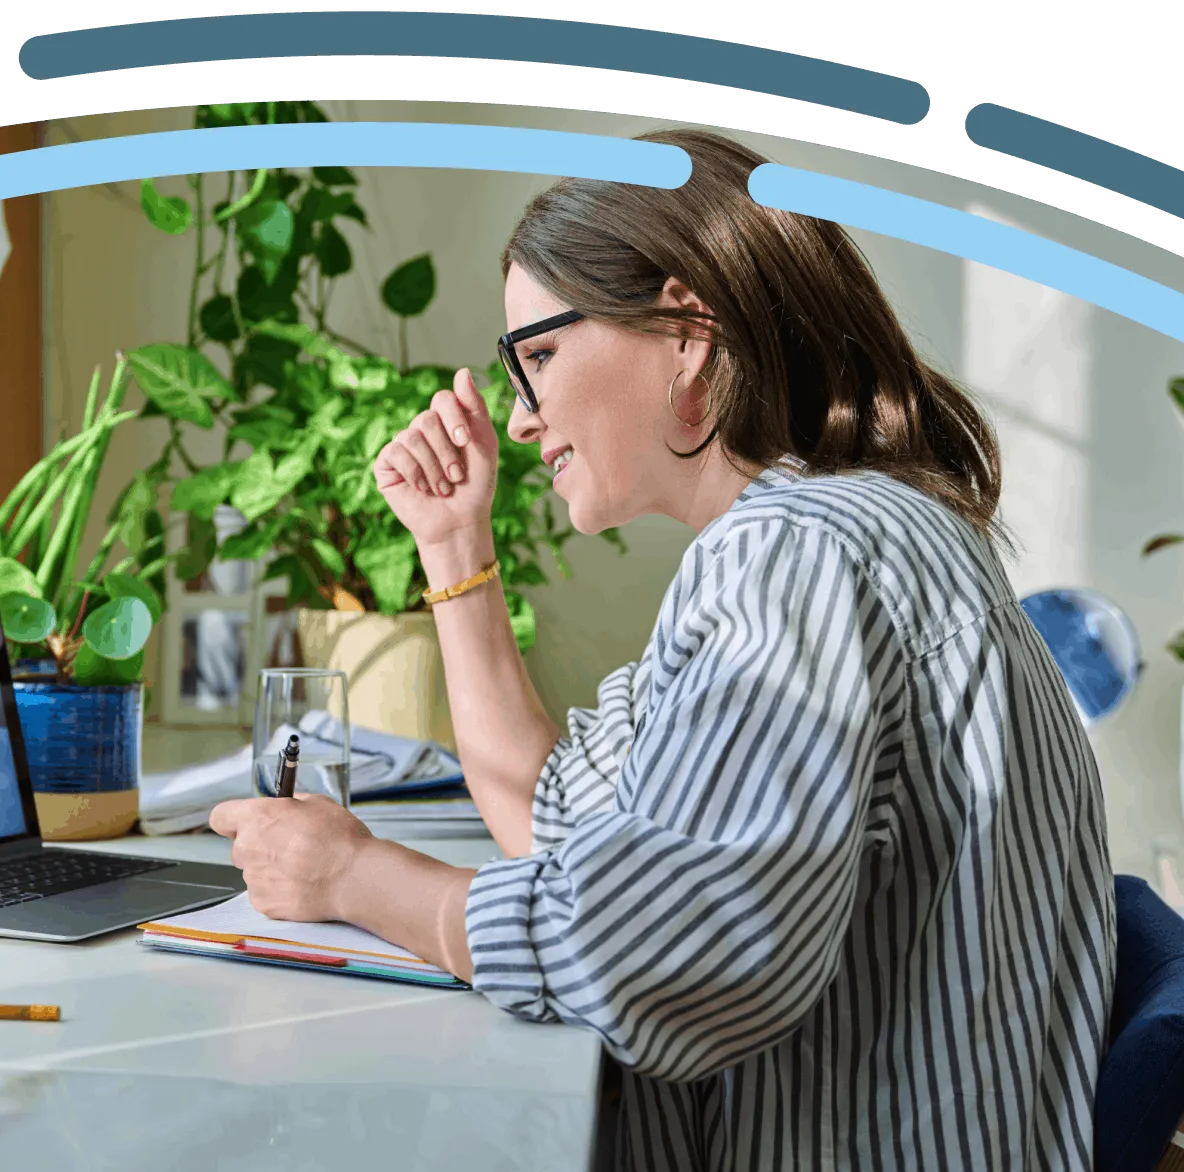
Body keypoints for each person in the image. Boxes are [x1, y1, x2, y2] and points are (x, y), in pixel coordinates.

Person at [208, 127, 1116, 1171]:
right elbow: (555, 816)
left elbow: (665, 952)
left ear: (686, 330)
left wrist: (357, 874)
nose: (519, 415)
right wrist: (454, 543)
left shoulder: (804, 551)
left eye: (537, 356)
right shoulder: (828, 535)